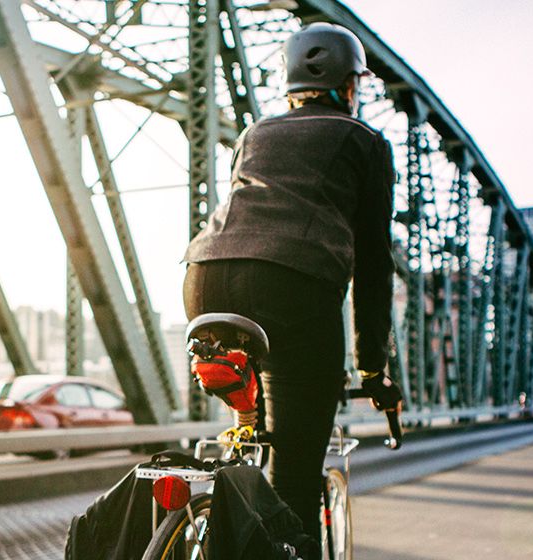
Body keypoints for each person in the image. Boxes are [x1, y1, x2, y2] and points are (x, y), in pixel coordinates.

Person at [182, 21, 404, 550]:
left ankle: (222, 507)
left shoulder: (254, 134)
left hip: (203, 276)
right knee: (294, 480)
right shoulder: (365, 141)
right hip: (293, 288)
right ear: (350, 86)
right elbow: (374, 263)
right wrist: (373, 368)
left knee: (249, 424)